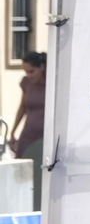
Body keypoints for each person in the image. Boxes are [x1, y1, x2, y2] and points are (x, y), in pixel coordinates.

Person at [10, 52, 45, 211]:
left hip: (44, 138)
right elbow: (22, 107)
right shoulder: (26, 83)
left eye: (32, 71)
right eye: (26, 72)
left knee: (40, 178)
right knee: (22, 176)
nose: (29, 75)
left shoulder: (53, 83)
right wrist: (13, 131)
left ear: (42, 67)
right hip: (28, 135)